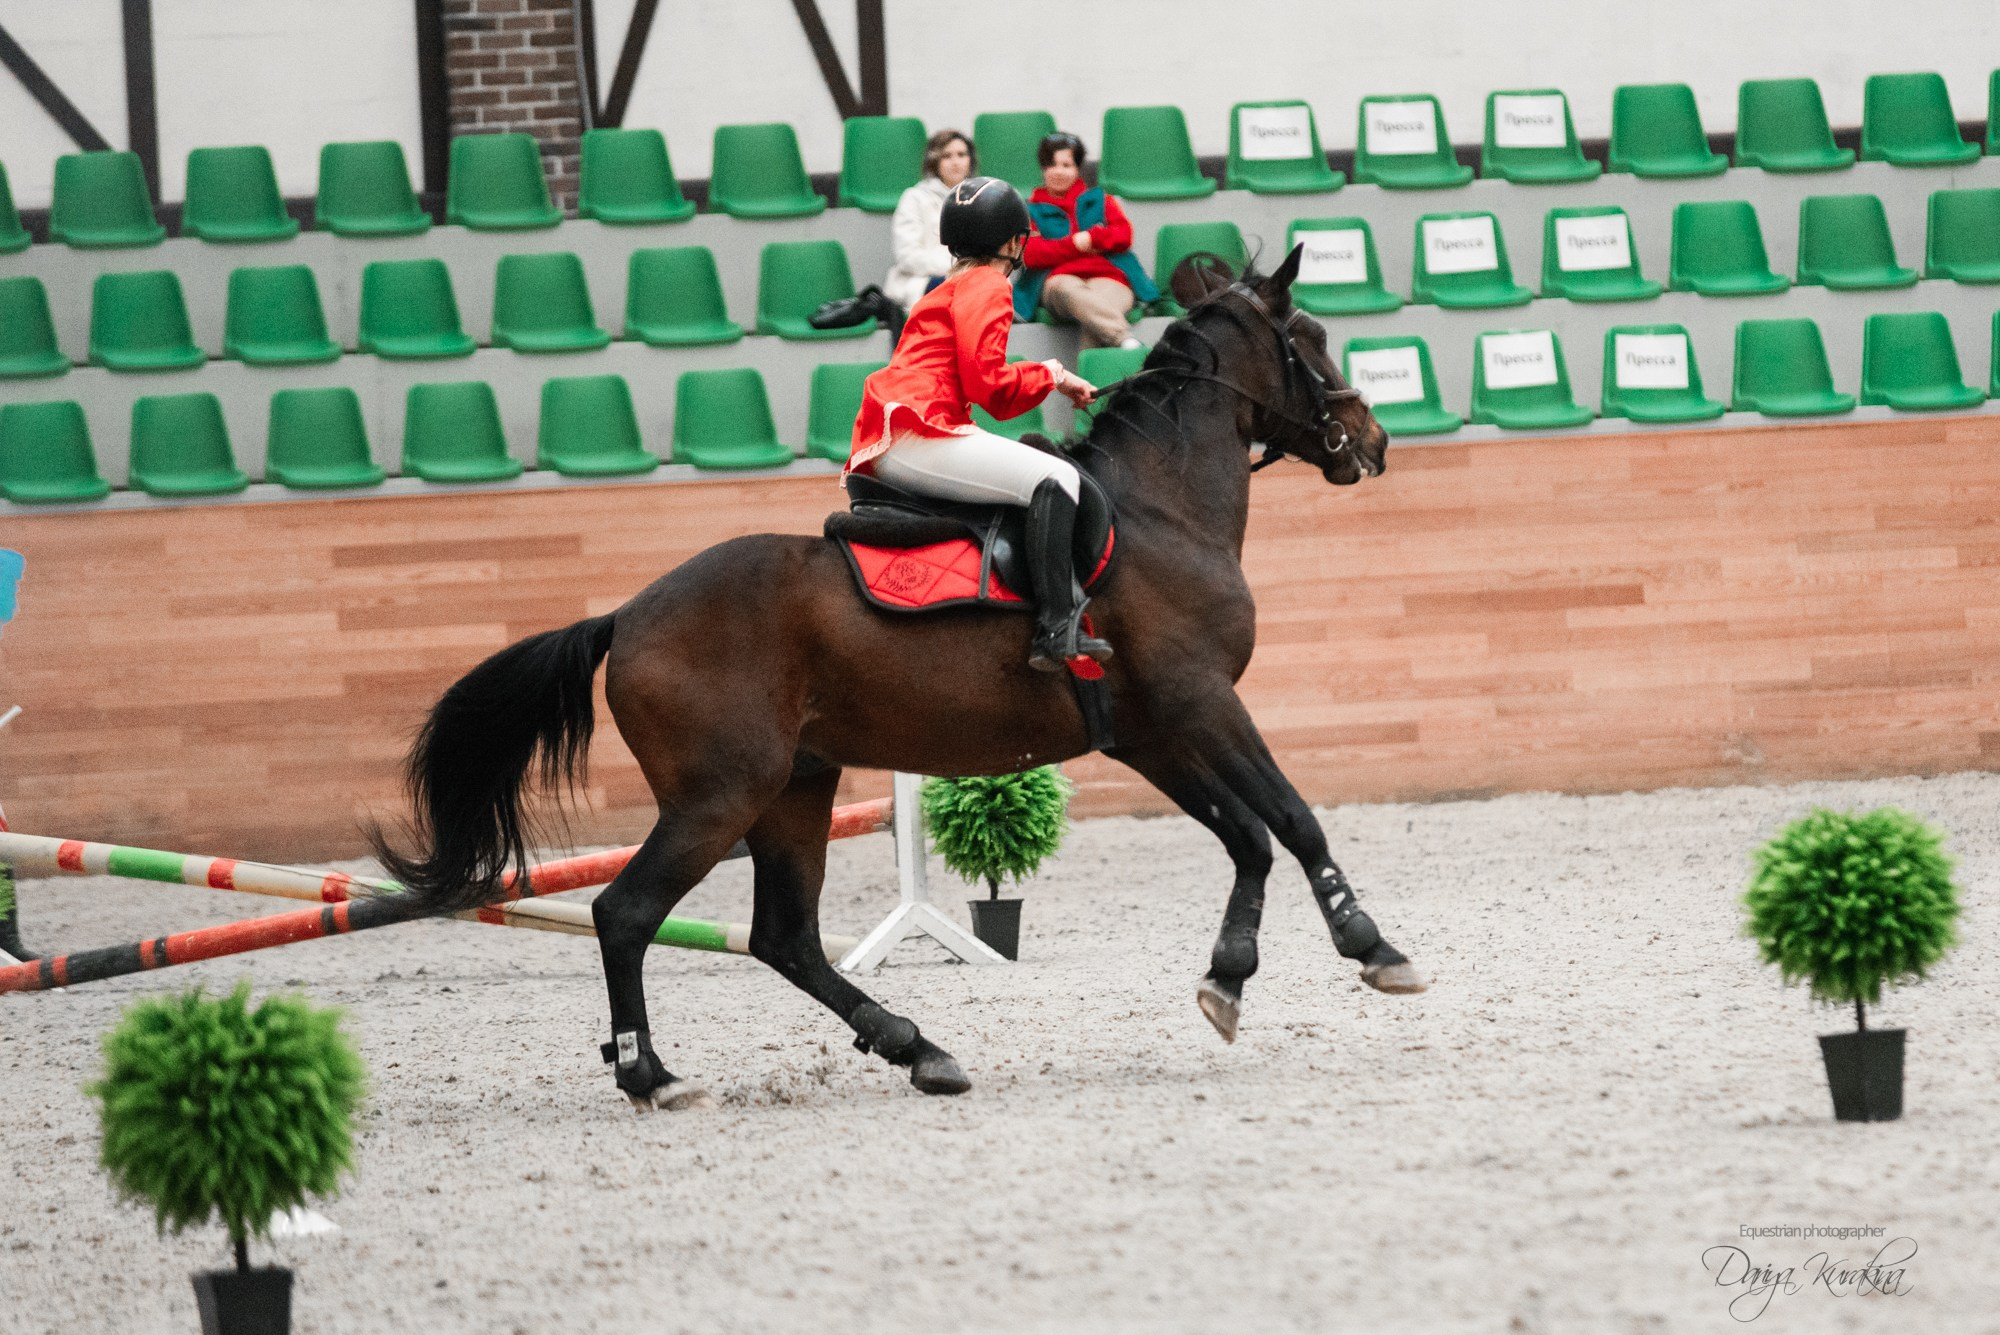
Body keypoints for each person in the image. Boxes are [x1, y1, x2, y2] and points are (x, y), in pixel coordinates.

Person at [848, 176, 1112, 671]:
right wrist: (1052, 374)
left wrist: (1051, 377)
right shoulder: (989, 284)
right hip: (921, 432)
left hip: (889, 437)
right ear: (1014, 242)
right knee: (1058, 478)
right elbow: (989, 387)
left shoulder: (943, 290)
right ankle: (1058, 627)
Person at [1015, 132, 1157, 347]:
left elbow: (1123, 235)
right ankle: (1123, 339)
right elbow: (1032, 254)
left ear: (1077, 168)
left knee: (1094, 323)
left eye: (1066, 165)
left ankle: (1092, 378)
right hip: (1059, 282)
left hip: (1110, 278)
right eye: (1052, 164)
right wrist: (1076, 244)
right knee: (1070, 292)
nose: (1059, 171)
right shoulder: (1030, 210)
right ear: (1043, 168)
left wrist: (1092, 237)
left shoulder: (1101, 200)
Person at [883, 129, 974, 311]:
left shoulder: (980, 197)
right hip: (924, 281)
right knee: (966, 291)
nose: (955, 162)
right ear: (934, 162)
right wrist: (959, 266)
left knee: (990, 288)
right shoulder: (914, 198)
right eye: (947, 156)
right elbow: (908, 257)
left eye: (961, 155)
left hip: (971, 280)